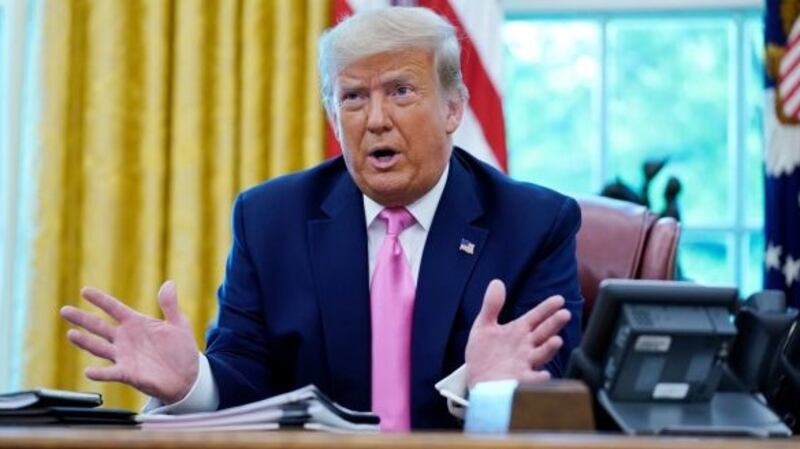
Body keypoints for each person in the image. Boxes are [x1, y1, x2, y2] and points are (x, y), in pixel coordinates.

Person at [59, 6, 583, 431]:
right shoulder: (270, 220)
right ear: (334, 115)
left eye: (401, 91)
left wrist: (485, 389)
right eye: (353, 97)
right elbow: (246, 377)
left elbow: (560, 392)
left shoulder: (534, 223)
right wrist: (194, 381)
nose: (376, 119)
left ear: (453, 108)